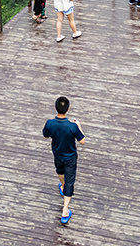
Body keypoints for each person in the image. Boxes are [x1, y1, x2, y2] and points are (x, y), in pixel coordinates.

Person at [42, 96, 86, 224]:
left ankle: (62, 185)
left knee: (60, 172)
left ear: (56, 108)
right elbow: (82, 141)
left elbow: (45, 137)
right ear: (68, 108)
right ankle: (65, 210)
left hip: (57, 154)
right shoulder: (72, 126)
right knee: (70, 181)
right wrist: (79, 126)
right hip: (70, 157)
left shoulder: (50, 123)